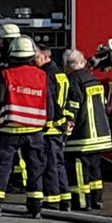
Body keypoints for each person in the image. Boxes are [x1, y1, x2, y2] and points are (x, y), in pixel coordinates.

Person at [0, 37, 56, 218]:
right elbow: (51, 105)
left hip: (9, 130)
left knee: (2, 168)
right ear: (32, 55)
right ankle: (35, 208)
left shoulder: (6, 74)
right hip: (35, 131)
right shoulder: (43, 75)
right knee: (35, 169)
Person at [62, 49, 112, 211]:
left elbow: (73, 108)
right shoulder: (94, 80)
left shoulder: (73, 81)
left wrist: (66, 131)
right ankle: (97, 199)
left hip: (82, 137)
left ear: (69, 65)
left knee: (78, 172)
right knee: (94, 171)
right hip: (100, 136)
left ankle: (82, 203)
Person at [36, 46, 74, 209]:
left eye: (37, 56)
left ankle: (52, 200)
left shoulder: (47, 75)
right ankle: (65, 199)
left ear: (45, 57)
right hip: (58, 128)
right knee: (58, 164)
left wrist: (59, 121)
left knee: (49, 165)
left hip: (50, 127)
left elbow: (52, 102)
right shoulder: (60, 74)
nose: (34, 59)